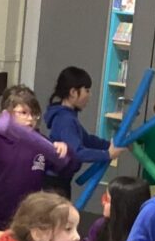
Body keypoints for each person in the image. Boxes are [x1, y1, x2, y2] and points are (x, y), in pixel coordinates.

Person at [0, 85, 74, 230]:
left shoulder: (40, 144)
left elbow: (66, 169)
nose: (30, 119)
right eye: (24, 113)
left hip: (27, 222)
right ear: (6, 114)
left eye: (34, 114)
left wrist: (65, 151)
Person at [43, 67, 123, 196]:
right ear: (73, 92)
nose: (89, 95)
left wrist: (110, 144)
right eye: (87, 90)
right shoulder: (65, 119)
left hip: (61, 180)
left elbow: (87, 139)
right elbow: (77, 152)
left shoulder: (68, 116)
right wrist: (107, 154)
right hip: (55, 183)